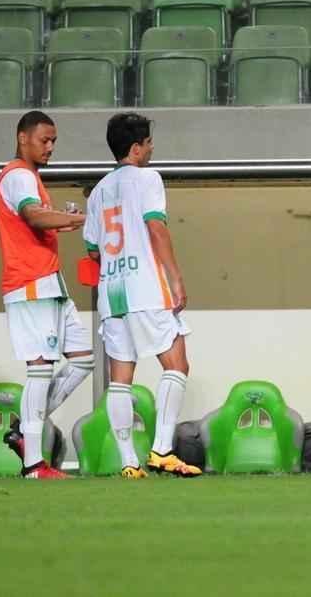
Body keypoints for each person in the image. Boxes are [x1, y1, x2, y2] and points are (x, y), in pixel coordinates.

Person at [84, 112, 200, 478]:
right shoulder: (149, 179)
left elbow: (92, 249)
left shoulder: (99, 189)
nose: (152, 149)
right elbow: (156, 227)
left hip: (112, 290)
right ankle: (163, 450)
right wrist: (176, 278)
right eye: (149, 143)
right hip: (146, 288)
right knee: (177, 364)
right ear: (136, 148)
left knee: (120, 376)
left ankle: (128, 463)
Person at [0, 111, 95, 479]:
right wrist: (85, 220)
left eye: (54, 141)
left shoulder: (30, 177)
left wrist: (64, 218)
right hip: (30, 283)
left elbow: (38, 219)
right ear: (23, 138)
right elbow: (34, 217)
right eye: (44, 140)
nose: (50, 147)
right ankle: (34, 465)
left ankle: (25, 430)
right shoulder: (19, 175)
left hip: (50, 282)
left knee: (84, 360)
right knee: (40, 369)